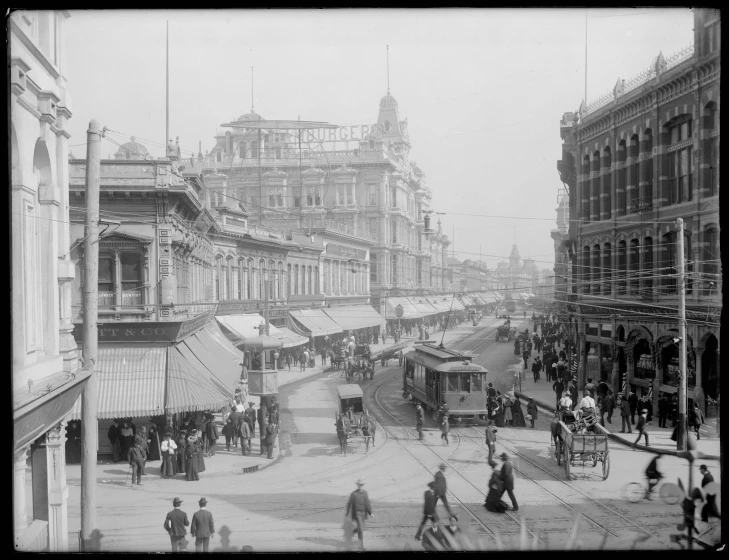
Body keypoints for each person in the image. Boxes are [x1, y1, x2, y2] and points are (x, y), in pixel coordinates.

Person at [345, 479, 373, 551]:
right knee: (361, 528)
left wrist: (371, 513)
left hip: (363, 513)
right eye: (359, 485)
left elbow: (367, 504)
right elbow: (349, 504)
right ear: (357, 485)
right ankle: (361, 546)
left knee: (362, 528)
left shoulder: (365, 493)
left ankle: (351, 533)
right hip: (357, 513)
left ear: (363, 485)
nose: (360, 486)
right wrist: (347, 514)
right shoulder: (353, 494)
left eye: (361, 485)